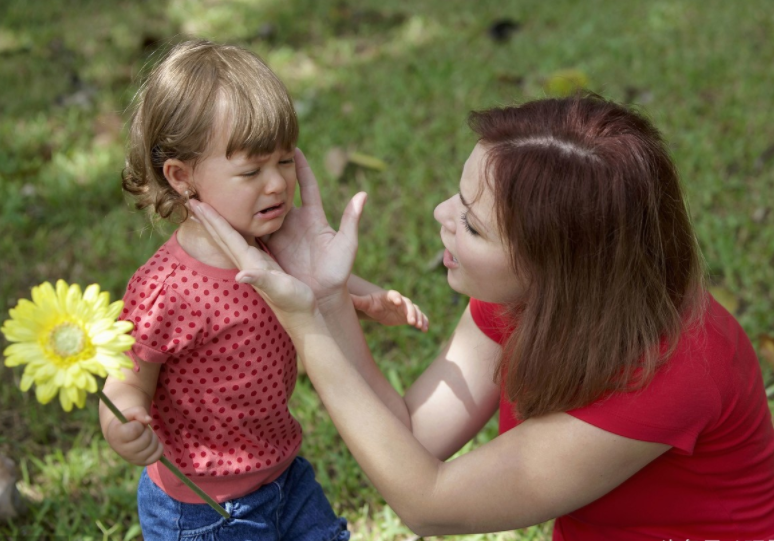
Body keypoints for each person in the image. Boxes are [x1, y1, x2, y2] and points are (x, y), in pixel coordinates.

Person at [189, 94, 774, 540]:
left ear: (559, 266)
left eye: (471, 224)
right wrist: (326, 295)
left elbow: (429, 504)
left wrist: (306, 328)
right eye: (459, 197)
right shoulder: (535, 298)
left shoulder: (671, 371)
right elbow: (414, 436)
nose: (441, 212)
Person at [98, 39, 427, 541]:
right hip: (206, 507)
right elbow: (125, 371)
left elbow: (312, 283)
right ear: (182, 178)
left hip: (284, 474)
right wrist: (120, 420)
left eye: (284, 162)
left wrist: (367, 298)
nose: (276, 184)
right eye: (251, 170)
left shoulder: (269, 239)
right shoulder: (167, 287)